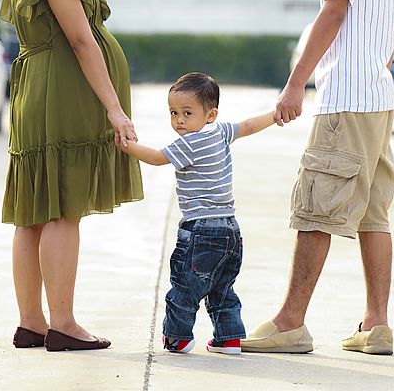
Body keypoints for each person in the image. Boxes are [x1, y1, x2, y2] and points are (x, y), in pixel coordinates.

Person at [241, 0, 394, 355]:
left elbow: (334, 11)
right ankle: (376, 325)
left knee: (316, 209)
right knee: (373, 215)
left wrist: (294, 85)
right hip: (376, 98)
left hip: (348, 100)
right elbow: (386, 24)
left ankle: (290, 323)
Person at [0, 0, 143, 352]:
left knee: (34, 211)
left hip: (37, 89)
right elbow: (81, 41)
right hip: (60, 93)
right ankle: (62, 323)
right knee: (62, 207)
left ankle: (32, 322)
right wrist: (115, 110)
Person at [117, 71, 277, 355]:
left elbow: (155, 158)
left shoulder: (189, 143)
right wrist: (275, 114)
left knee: (185, 286)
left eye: (187, 113)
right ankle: (228, 339)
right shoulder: (222, 132)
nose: (179, 120)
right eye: (173, 112)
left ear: (210, 114)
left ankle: (177, 337)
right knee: (222, 289)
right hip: (230, 230)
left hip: (200, 231)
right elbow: (249, 126)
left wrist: (124, 145)